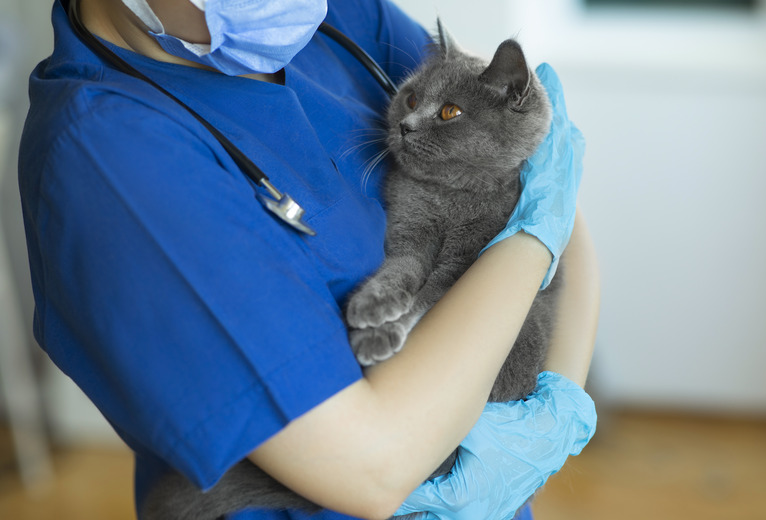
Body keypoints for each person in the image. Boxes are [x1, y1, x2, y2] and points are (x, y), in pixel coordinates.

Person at [17, 0, 599, 519]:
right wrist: (531, 239)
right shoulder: (110, 155)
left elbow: (556, 204)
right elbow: (372, 471)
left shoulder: (338, 17)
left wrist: (552, 418)